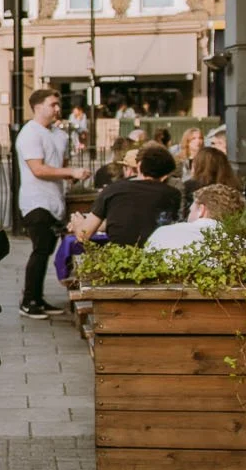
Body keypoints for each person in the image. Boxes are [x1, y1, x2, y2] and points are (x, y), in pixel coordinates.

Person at [15, 88, 83, 318]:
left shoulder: (59, 134)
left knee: (45, 251)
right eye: (52, 104)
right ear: (37, 107)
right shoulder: (29, 134)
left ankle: (37, 297)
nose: (57, 109)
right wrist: (71, 171)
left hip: (55, 200)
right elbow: (38, 169)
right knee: (40, 250)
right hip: (36, 201)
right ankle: (28, 301)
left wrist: (69, 174)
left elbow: (58, 165)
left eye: (57, 104)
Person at [93, 143, 184, 246]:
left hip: (120, 256)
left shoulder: (113, 189)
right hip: (158, 254)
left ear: (139, 167)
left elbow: (84, 233)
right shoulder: (173, 194)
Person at [146, 181, 245, 251]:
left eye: (190, 210)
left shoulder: (163, 234)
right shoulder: (243, 246)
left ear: (201, 210)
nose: (188, 215)